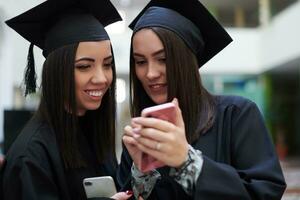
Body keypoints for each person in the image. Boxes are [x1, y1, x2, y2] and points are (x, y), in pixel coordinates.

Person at [117, 0, 287, 199]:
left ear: (187, 61)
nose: (150, 73)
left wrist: (187, 163)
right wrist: (141, 173)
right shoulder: (141, 136)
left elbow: (266, 193)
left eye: (162, 59)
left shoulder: (236, 115)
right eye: (140, 62)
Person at [0, 0, 132, 199]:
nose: (102, 78)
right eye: (84, 66)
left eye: (107, 64)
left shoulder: (92, 131)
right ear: (57, 72)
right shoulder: (32, 156)